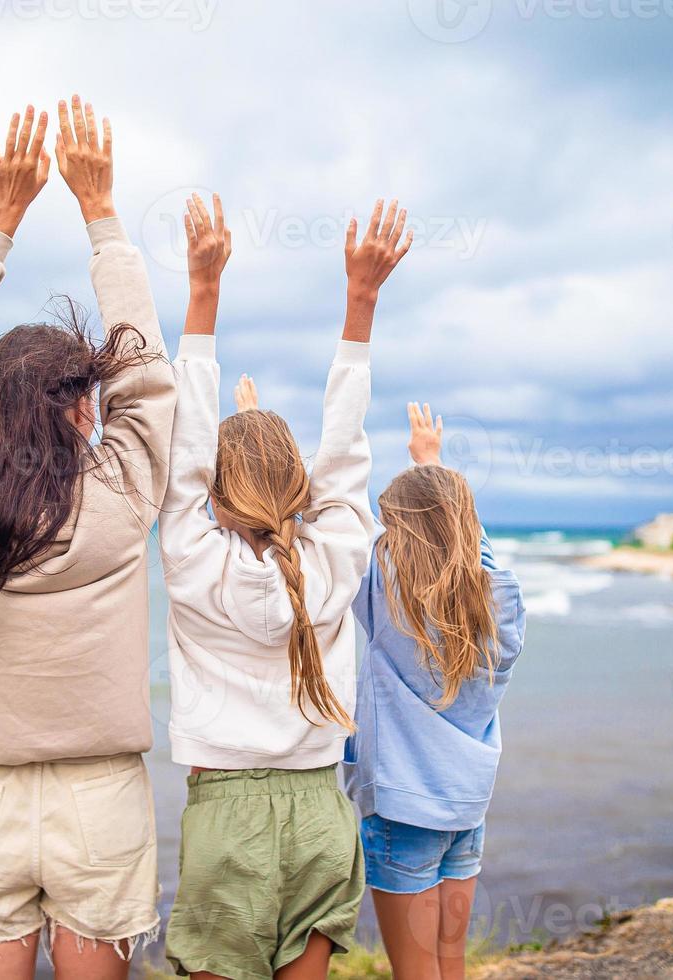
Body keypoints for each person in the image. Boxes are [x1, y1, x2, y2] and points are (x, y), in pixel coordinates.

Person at [0, 97, 172, 979]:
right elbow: (149, 380)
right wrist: (101, 215)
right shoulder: (125, 489)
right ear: (80, 404)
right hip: (101, 799)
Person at [158, 194, 412, 979]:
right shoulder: (334, 556)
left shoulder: (193, 559)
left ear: (217, 494)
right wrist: (360, 302)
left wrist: (203, 295)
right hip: (318, 812)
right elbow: (344, 453)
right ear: (300, 486)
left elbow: (187, 463)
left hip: (227, 814)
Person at [344, 404, 527, 980]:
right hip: (467, 804)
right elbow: (475, 552)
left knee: (415, 971)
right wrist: (433, 467)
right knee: (451, 964)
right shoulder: (503, 597)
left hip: (402, 808)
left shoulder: (386, 596)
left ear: (396, 536)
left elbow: (343, 529)